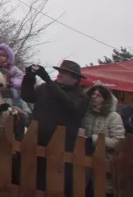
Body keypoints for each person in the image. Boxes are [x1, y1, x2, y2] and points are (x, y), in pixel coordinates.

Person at [22, 60, 89, 195]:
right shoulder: (45, 88)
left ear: (75, 79)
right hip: (38, 141)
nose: (60, 74)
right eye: (59, 71)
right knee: (32, 183)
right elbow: (27, 96)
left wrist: (48, 80)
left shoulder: (81, 97)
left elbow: (69, 106)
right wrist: (29, 78)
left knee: (55, 186)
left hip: (61, 148)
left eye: (64, 72)